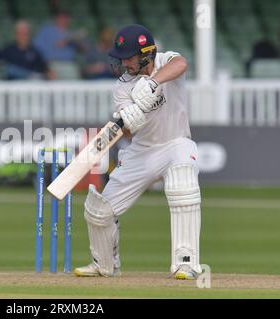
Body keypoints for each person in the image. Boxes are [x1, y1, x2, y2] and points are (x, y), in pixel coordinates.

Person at [74, 24, 202, 280]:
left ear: (146, 53)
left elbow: (182, 64)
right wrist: (132, 119)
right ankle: (104, 264)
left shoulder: (166, 60)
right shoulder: (122, 87)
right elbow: (128, 134)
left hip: (176, 142)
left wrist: (153, 82)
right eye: (121, 58)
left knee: (183, 187)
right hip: (141, 151)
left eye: (129, 57)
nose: (124, 63)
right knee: (99, 210)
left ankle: (186, 263)